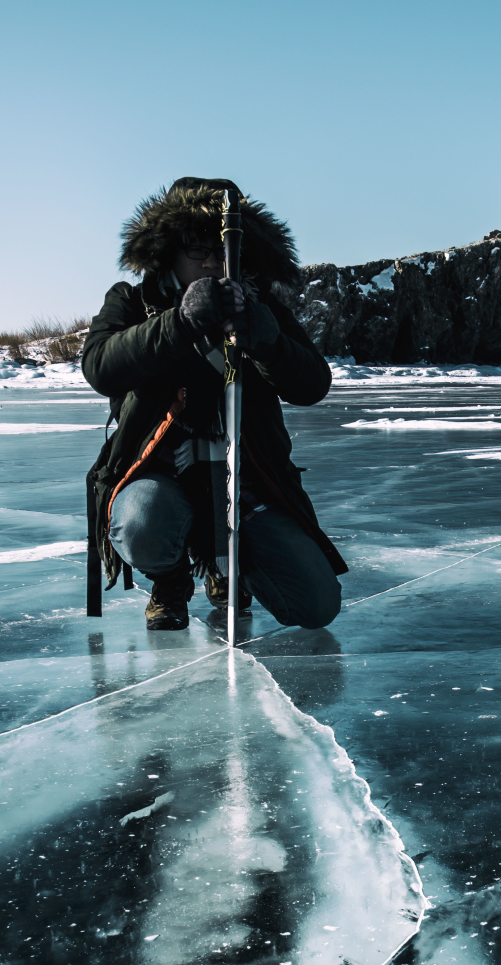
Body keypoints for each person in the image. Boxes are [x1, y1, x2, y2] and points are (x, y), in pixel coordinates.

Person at [83, 177, 345, 630]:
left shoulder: (261, 307)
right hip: (159, 475)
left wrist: (268, 341)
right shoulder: (132, 302)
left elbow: (313, 385)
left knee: (316, 605)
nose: (210, 263)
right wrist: (178, 323)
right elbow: (101, 366)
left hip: (246, 479)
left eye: (220, 251)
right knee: (144, 522)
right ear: (168, 253)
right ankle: (170, 578)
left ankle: (233, 566)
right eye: (196, 251)